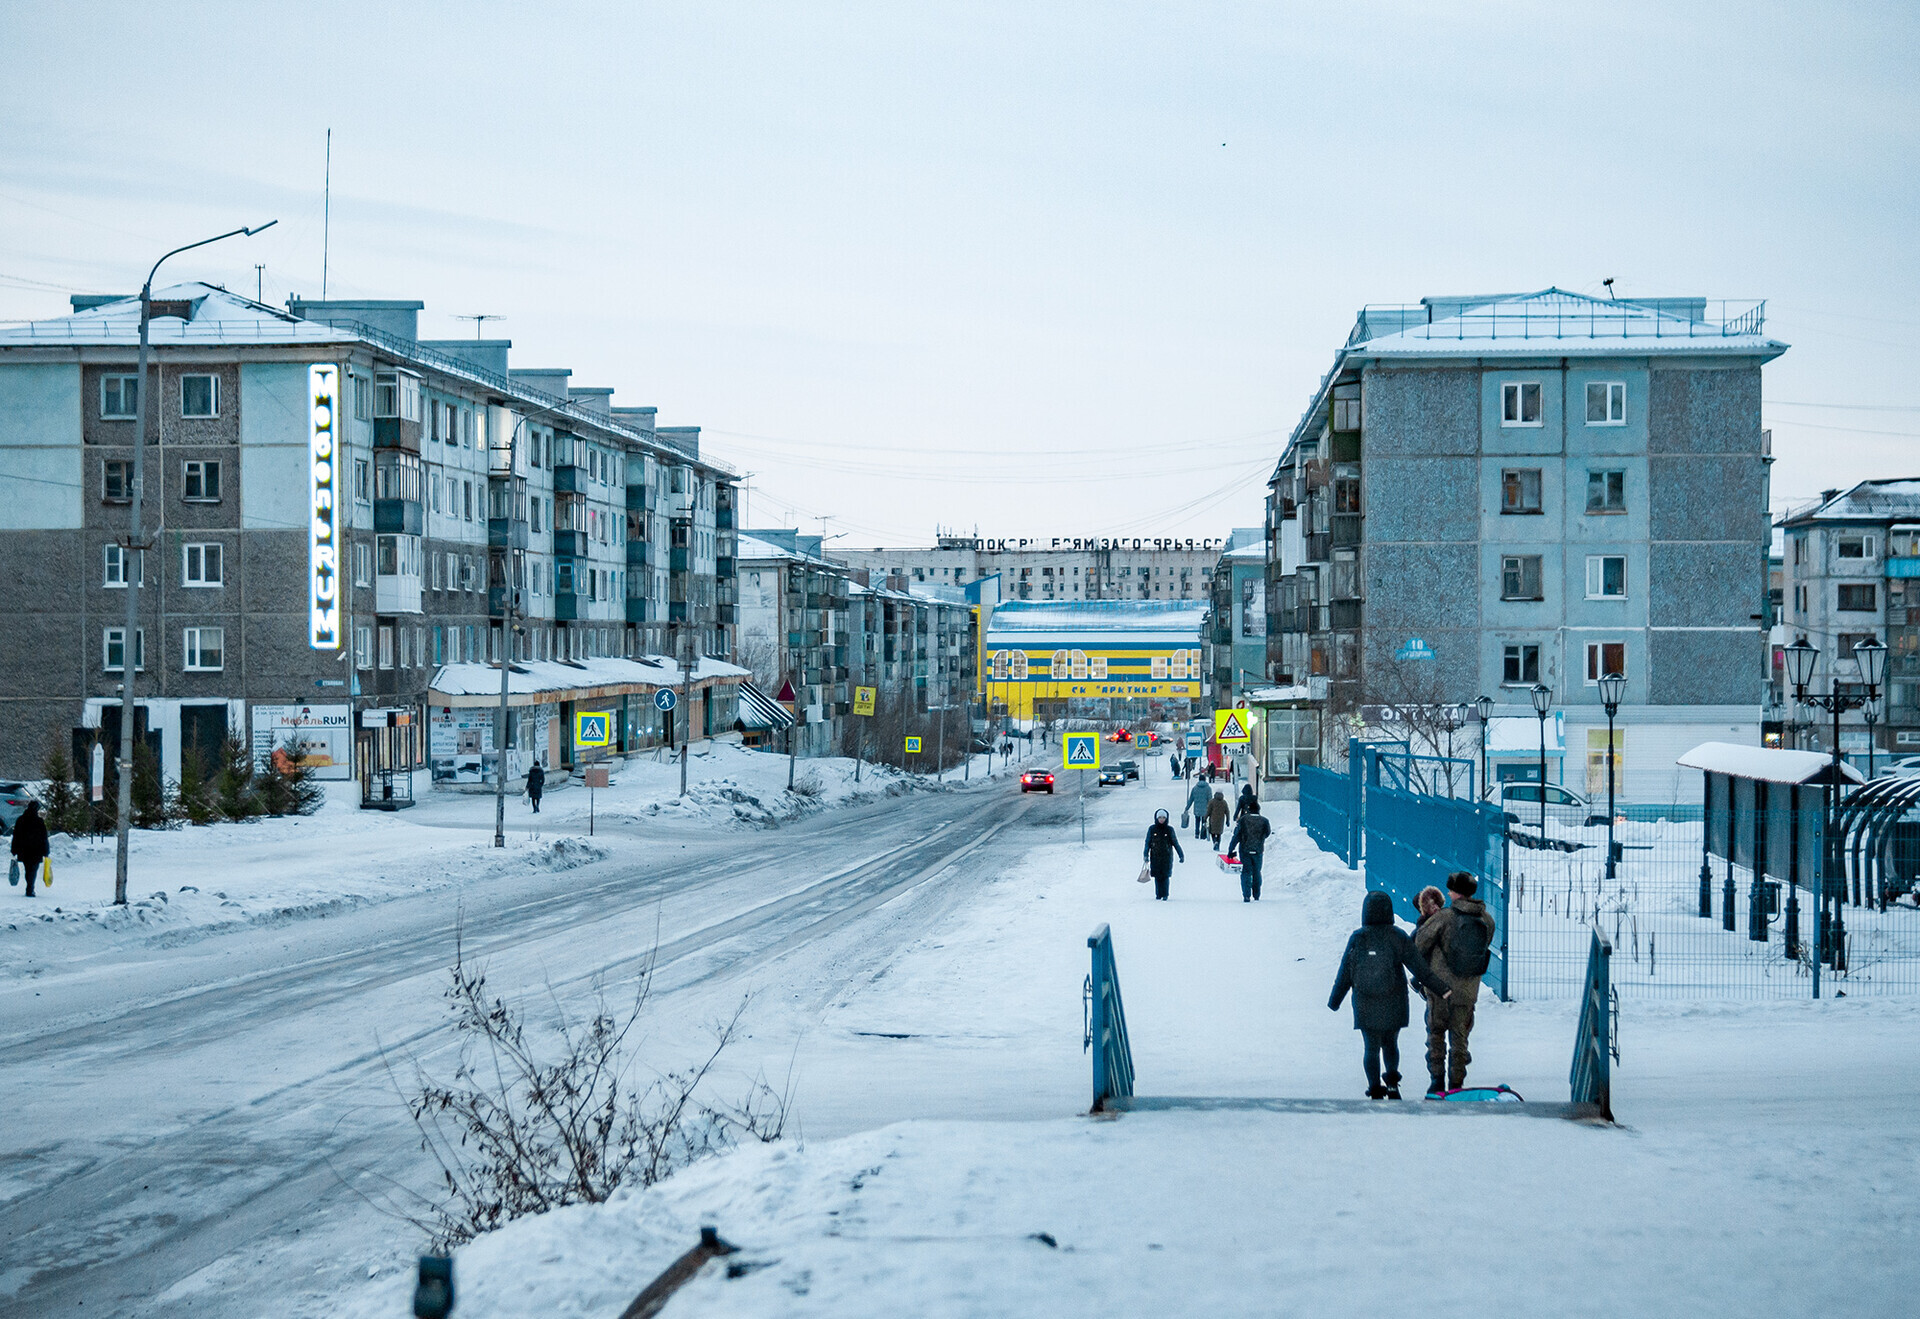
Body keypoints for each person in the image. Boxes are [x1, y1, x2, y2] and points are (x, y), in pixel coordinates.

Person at [1328, 891, 1453, 1099]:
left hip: (1365, 1000)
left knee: (1370, 1047)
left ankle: (1375, 1088)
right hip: (1393, 999)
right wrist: (1443, 989)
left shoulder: (1358, 937)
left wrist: (1335, 1000)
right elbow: (1419, 968)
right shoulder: (1398, 936)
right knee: (1390, 1044)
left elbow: (1345, 972)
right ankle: (1393, 1085)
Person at [1415, 871, 1499, 1098]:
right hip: (1467, 991)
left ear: (1455, 893)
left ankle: (1436, 1082)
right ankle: (1457, 1084)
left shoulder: (1444, 917)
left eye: (1450, 889)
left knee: (1436, 1033)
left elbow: (1420, 943)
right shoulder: (1487, 920)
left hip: (1440, 989)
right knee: (1460, 1037)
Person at [1225, 799, 1272, 901]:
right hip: (1258, 850)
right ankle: (1256, 894)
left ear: (1248, 810)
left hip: (1245, 850)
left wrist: (1231, 849)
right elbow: (1267, 833)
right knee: (1257, 872)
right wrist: (1260, 839)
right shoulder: (1264, 821)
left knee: (1246, 872)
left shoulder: (1243, 820)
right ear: (1258, 810)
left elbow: (1236, 836)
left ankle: (1246, 895)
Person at [1143, 808, 1185, 901]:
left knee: (1165, 876)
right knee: (1157, 876)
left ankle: (1165, 894)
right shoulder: (1152, 829)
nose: (1162, 819)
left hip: (1167, 857)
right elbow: (1147, 842)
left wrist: (1181, 855)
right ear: (1156, 818)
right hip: (1155, 856)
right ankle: (1158, 894)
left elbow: (1175, 843)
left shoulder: (1169, 830)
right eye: (1160, 817)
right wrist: (1145, 854)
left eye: (1163, 817)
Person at [10, 801, 49, 898]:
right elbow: (44, 837)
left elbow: (16, 836)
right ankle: (30, 888)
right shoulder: (39, 821)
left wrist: (14, 849)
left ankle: (29, 887)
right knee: (33, 870)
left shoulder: (20, 820)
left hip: (24, 849)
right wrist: (46, 850)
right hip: (36, 850)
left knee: (28, 869)